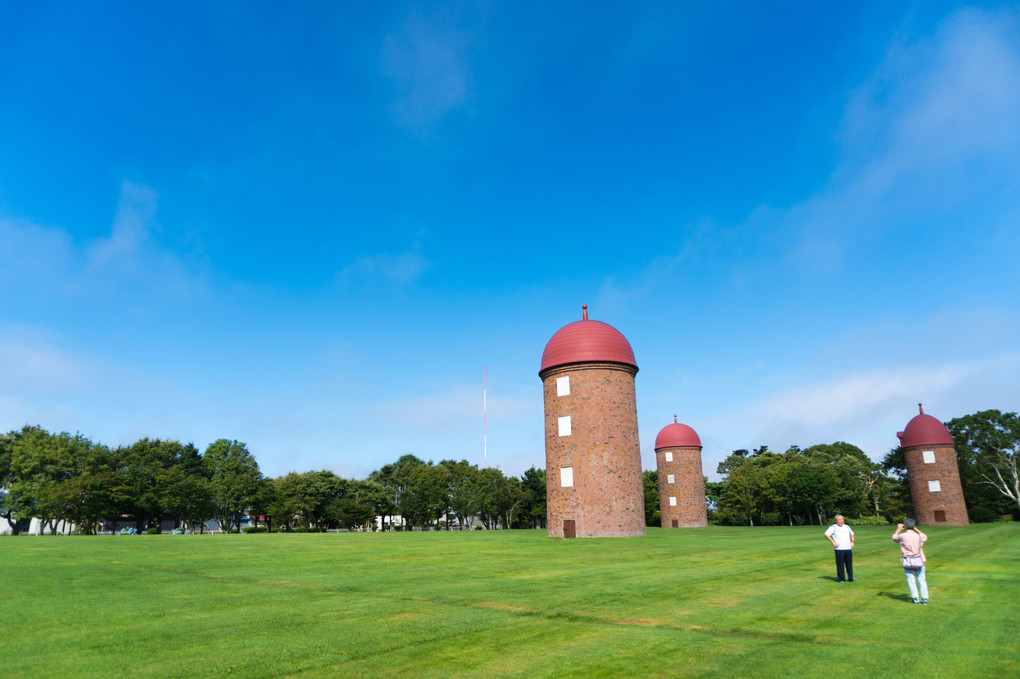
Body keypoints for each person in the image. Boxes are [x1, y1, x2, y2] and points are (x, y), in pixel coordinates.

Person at [892, 518, 929, 604]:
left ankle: (915, 598)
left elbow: (894, 537)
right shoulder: (919, 536)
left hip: (907, 560)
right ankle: (924, 598)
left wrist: (898, 529)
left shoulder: (902, 536)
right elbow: (924, 536)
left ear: (905, 527)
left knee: (910, 579)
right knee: (921, 579)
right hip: (918, 559)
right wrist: (915, 528)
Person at [823, 514, 855, 582]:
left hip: (848, 548)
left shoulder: (847, 527)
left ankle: (851, 578)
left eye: (842, 519)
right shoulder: (833, 527)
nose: (841, 521)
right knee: (840, 565)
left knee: (849, 564)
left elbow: (852, 534)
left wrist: (852, 541)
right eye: (839, 520)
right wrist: (833, 542)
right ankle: (841, 579)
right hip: (839, 549)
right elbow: (826, 534)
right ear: (836, 521)